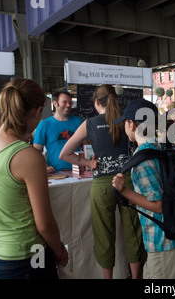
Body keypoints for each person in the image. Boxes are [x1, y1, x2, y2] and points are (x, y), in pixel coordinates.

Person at [0, 78, 68, 279]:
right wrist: (59, 250)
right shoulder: (28, 156)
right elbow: (44, 223)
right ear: (38, 111)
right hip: (27, 256)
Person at [59, 85, 146, 279]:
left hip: (101, 186)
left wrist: (88, 162)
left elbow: (64, 154)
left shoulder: (89, 124)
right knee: (133, 233)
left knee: (103, 236)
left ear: (96, 102)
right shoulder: (126, 121)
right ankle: (135, 276)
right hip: (127, 181)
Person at [112, 98, 175, 279]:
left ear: (131, 124)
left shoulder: (142, 162)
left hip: (161, 241)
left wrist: (125, 192)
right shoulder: (157, 148)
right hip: (167, 238)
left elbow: (158, 205)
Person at [33, 91, 83, 173]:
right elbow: (35, 151)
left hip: (78, 171)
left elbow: (86, 146)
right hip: (54, 173)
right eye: (64, 102)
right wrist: (45, 167)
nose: (68, 105)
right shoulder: (44, 125)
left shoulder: (78, 122)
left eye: (70, 103)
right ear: (55, 103)